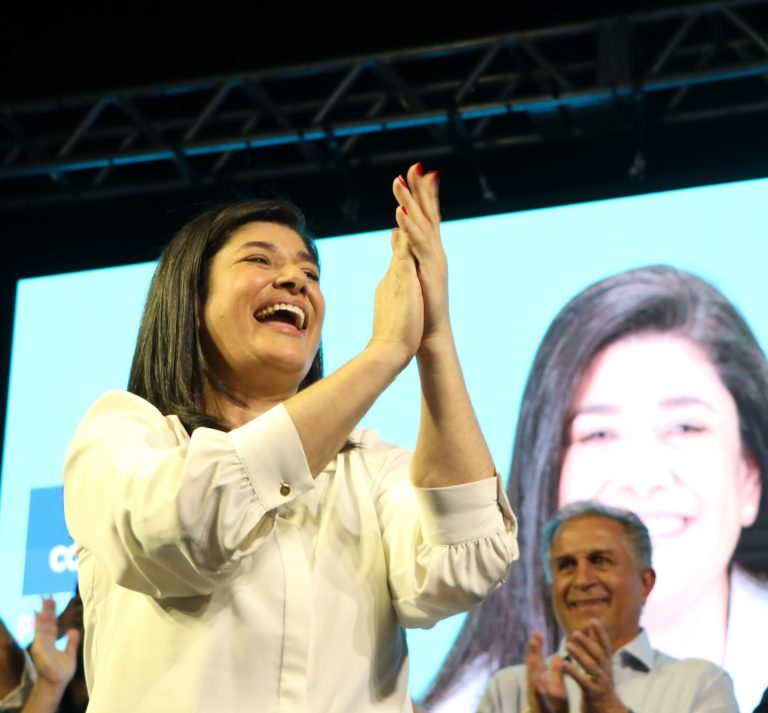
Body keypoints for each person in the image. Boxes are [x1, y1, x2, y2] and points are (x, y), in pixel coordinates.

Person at [63, 163, 518, 713]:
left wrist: (433, 335)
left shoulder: (367, 466)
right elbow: (184, 529)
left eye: (310, 272)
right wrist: (382, 353)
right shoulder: (124, 433)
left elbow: (463, 564)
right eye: (259, 260)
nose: (295, 281)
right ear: (191, 301)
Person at [425, 265, 767, 713]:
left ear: (749, 476)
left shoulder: (708, 684)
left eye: (684, 427)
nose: (642, 477)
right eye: (598, 433)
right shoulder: (487, 697)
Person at [477, 501, 738, 713]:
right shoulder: (509, 690)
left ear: (645, 583)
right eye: (566, 565)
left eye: (600, 560)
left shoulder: (701, 684)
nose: (582, 580)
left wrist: (610, 709)